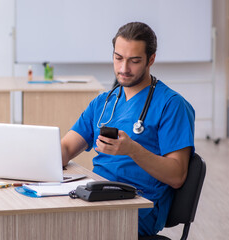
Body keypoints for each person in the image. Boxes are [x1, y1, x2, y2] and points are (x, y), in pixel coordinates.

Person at [61, 22, 195, 236]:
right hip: (95, 196)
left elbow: (177, 175)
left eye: (134, 61)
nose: (123, 69)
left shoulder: (171, 105)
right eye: (118, 58)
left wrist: (133, 149)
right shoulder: (103, 102)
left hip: (138, 208)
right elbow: (67, 148)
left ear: (151, 60)